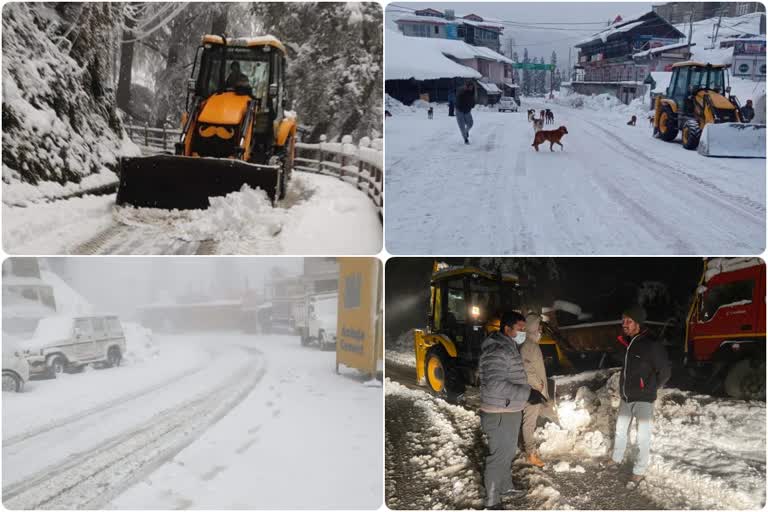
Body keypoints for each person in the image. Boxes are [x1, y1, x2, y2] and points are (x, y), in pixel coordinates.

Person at [479, 311, 547, 509]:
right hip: (499, 412)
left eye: (525, 329)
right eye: (520, 329)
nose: (523, 333)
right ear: (507, 329)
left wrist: (528, 392)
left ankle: (506, 487)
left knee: (507, 454)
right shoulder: (498, 350)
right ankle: (492, 502)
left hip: (508, 409)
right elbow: (494, 385)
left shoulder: (509, 347)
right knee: (498, 457)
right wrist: (528, 394)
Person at [610, 305, 671, 481]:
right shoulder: (628, 343)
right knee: (620, 431)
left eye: (628, 321)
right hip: (626, 397)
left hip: (643, 399)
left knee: (642, 436)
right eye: (623, 321)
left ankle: (639, 470)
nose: (624, 324)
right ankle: (616, 459)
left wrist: (649, 388)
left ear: (638, 323)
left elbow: (665, 372)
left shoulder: (651, 344)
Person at [519, 313, 548, 468]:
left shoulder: (530, 343)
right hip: (532, 391)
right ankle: (531, 454)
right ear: (533, 327)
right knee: (529, 423)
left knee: (530, 421)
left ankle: (531, 450)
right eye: (539, 326)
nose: (541, 329)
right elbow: (526, 369)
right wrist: (539, 385)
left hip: (534, 389)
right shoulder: (529, 345)